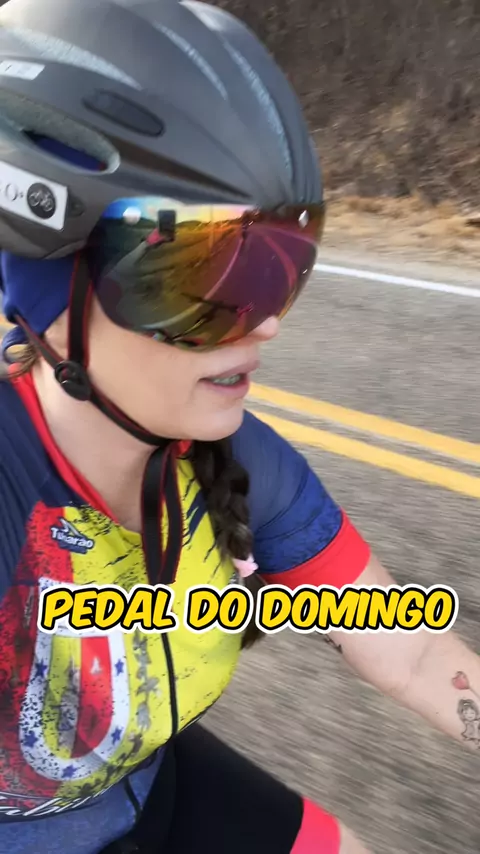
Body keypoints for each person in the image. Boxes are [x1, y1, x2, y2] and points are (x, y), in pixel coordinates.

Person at [0, 1, 478, 853]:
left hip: (140, 778)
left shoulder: (242, 462)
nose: (266, 323)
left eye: (280, 267)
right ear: (53, 299)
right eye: (198, 278)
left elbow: (410, 654)